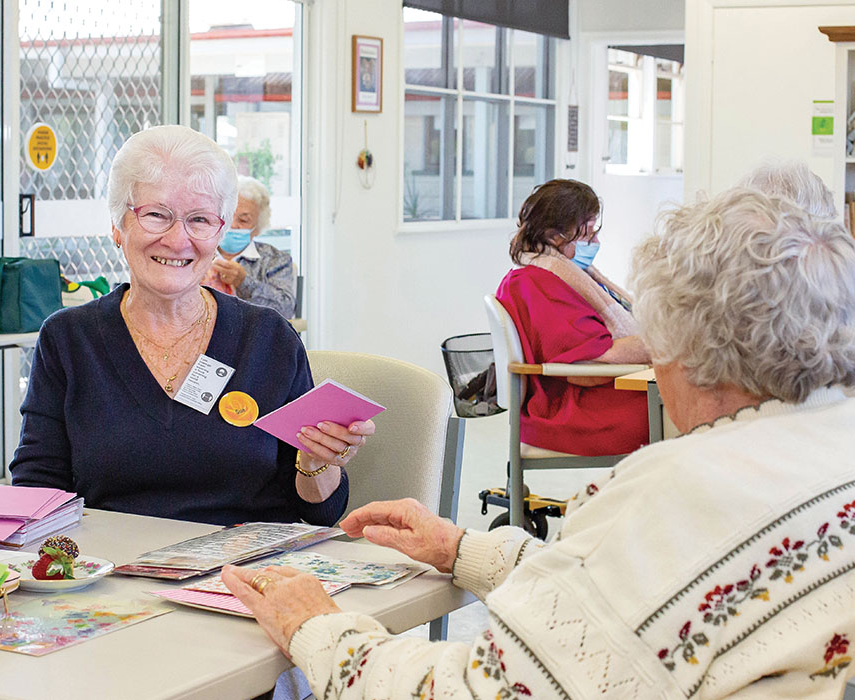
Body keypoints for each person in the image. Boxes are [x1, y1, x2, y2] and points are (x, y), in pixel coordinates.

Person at [223, 186, 855, 698]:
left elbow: (490, 691)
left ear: (682, 348)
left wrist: (316, 627)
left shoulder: (675, 495)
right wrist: (464, 548)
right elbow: (635, 601)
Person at [10, 126, 374, 526]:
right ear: (117, 225)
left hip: (243, 573)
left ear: (219, 232)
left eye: (199, 220)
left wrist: (316, 462)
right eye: (155, 215)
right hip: (116, 574)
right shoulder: (68, 339)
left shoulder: (269, 339)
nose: (178, 239)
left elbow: (320, 512)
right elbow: (36, 490)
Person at [496, 179, 650, 456]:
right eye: (588, 234)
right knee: (688, 402)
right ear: (555, 236)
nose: (596, 242)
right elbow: (587, 369)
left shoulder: (545, 274)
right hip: (568, 411)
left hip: (575, 397)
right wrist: (664, 343)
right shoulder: (537, 283)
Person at [203, 175, 297, 318]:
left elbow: (285, 310)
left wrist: (243, 282)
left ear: (258, 227)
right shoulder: (199, 253)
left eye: (244, 220)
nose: (233, 225)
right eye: (228, 216)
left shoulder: (275, 260)